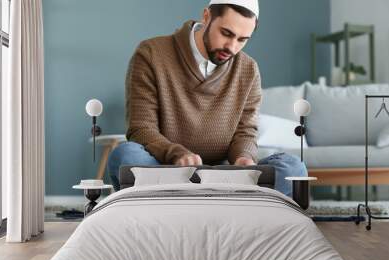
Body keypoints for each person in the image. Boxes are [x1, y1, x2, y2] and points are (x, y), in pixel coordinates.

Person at [108, 0, 307, 195]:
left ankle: (182, 204)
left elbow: (245, 131)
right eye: (226, 33)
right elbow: (141, 128)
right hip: (167, 170)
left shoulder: (248, 69)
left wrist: (243, 158)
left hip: (222, 176)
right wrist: (176, 154)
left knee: (293, 168)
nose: (232, 47)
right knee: (126, 155)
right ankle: (226, 207)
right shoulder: (151, 53)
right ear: (206, 16)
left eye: (242, 40)